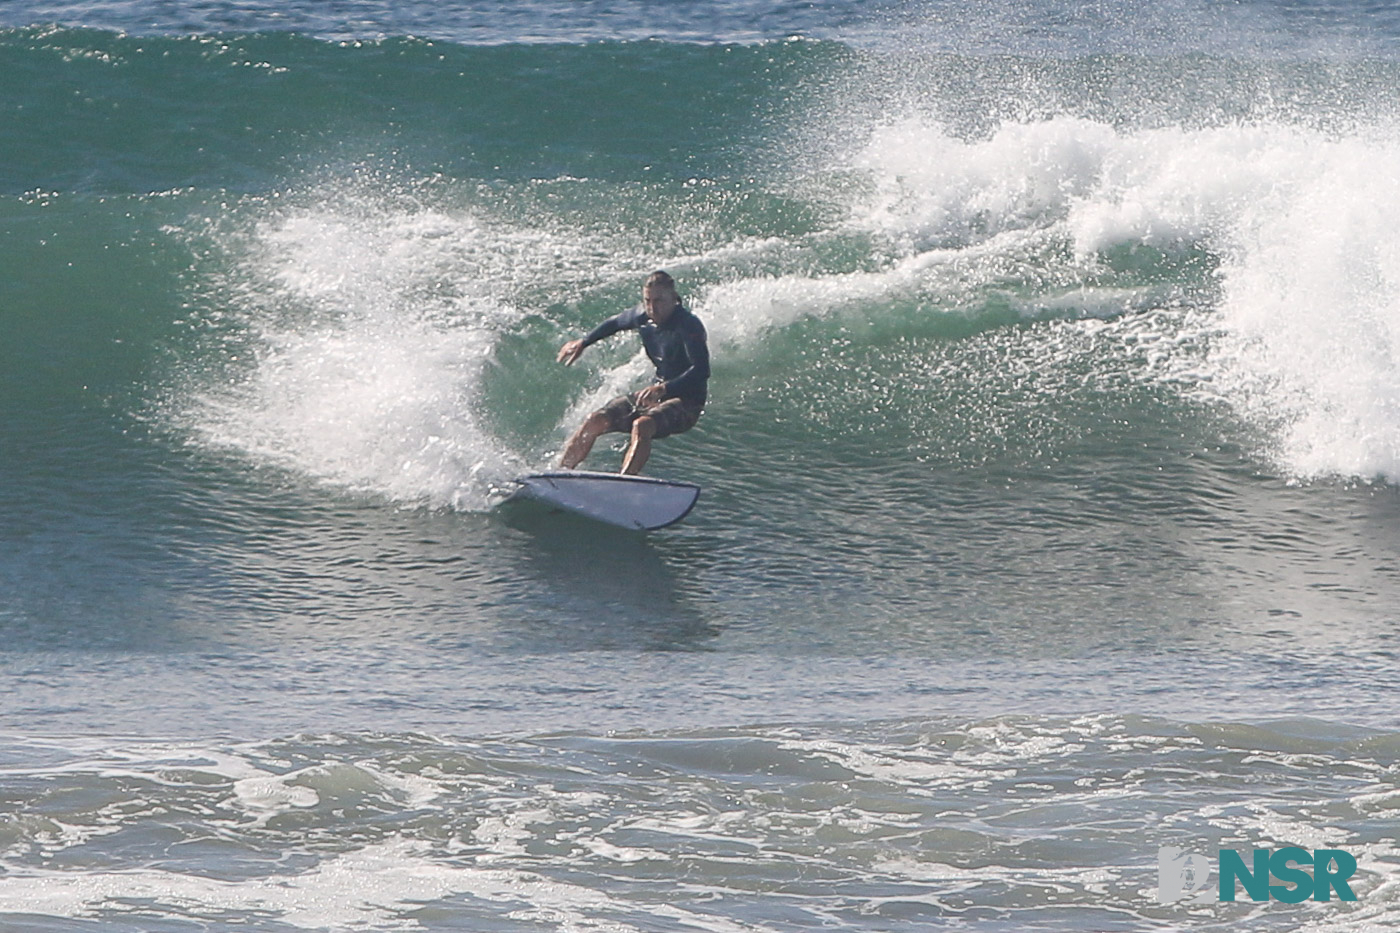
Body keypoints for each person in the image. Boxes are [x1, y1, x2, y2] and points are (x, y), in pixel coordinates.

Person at [557, 271, 709, 475]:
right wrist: (584, 342)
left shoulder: (689, 325)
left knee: (642, 425)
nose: (653, 308)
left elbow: (701, 370)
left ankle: (624, 482)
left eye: (659, 301)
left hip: (687, 402)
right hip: (656, 395)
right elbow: (614, 323)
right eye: (648, 301)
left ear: (674, 299)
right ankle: (560, 475)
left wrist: (664, 388)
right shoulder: (643, 317)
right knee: (595, 419)